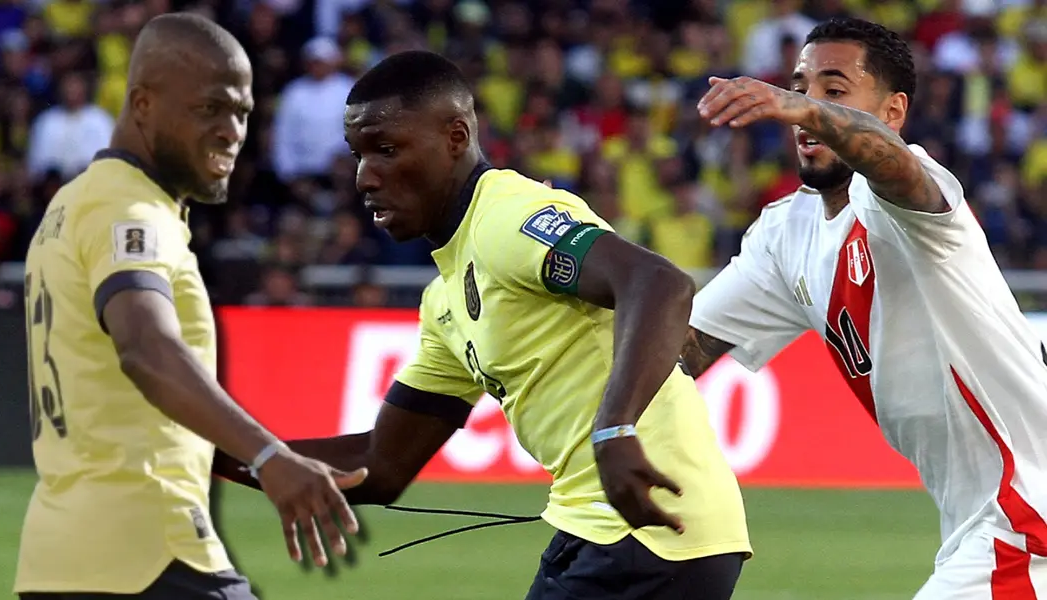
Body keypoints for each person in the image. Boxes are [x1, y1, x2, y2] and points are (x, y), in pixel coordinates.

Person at [214, 50, 752, 600]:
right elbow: (380, 464)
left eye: (387, 149)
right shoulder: (444, 299)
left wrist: (615, 431)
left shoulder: (507, 218)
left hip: (652, 530)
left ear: (455, 137)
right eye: (358, 154)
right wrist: (217, 453)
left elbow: (659, 284)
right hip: (594, 530)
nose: (364, 176)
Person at [685, 16, 1047, 599]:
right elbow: (680, 352)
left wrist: (801, 109)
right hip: (983, 523)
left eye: (834, 89)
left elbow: (892, 167)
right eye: (800, 88)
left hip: (1026, 515)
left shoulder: (911, 194)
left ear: (893, 113)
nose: (804, 108)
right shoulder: (785, 234)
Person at [14, 13, 366, 600]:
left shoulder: (72, 206)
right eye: (211, 108)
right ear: (143, 104)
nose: (232, 131)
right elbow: (145, 349)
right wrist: (268, 456)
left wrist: (241, 455)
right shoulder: (131, 212)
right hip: (148, 551)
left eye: (242, 113)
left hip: (61, 559)